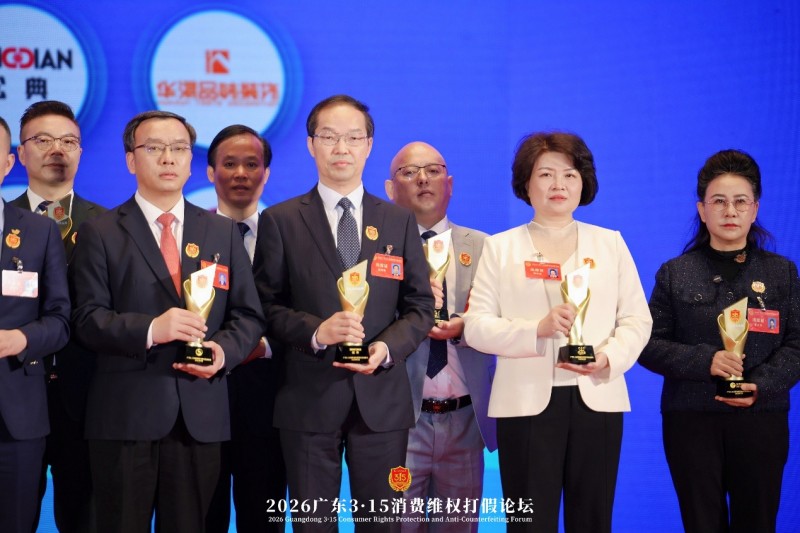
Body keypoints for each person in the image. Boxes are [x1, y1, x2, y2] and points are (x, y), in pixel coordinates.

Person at [69, 110, 265, 533]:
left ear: (191, 160)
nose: (168, 158)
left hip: (201, 414)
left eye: (179, 148)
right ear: (130, 160)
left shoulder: (222, 232)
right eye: (154, 148)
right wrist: (151, 329)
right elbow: (86, 318)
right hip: (125, 416)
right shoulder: (100, 231)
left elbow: (248, 315)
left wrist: (223, 352)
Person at [252, 95, 434, 529]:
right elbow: (265, 305)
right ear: (311, 144)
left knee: (382, 523)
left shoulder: (398, 221)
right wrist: (317, 332)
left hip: (382, 403)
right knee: (314, 524)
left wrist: (386, 349)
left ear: (369, 146)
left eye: (353, 138)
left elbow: (420, 306)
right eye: (329, 137)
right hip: (308, 400)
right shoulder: (280, 220)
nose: (341, 148)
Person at [462, 132, 652, 532]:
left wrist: (608, 358)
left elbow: (637, 320)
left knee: (593, 520)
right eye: (545, 174)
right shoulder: (501, 248)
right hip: (526, 404)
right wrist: (537, 329)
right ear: (526, 183)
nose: (558, 184)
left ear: (583, 182)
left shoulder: (610, 244)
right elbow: (476, 327)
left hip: (597, 399)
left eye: (569, 174)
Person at [639, 149, 800, 533]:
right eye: (719, 201)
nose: (730, 211)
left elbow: (797, 344)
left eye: (741, 201)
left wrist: (761, 384)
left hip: (761, 419)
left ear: (755, 209)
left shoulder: (781, 273)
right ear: (702, 210)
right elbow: (647, 343)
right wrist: (705, 361)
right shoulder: (675, 273)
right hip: (691, 421)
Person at [384, 141, 496, 530]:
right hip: (400, 423)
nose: (423, 179)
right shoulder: (375, 251)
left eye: (433, 170)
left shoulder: (485, 248)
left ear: (450, 184)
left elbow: (501, 322)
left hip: (464, 421)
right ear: (389, 188)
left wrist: (468, 327)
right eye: (409, 172)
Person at [11, 100, 106, 533]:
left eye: (69, 141)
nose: (57, 149)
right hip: (14, 392)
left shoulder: (112, 226)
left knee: (86, 516)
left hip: (88, 397)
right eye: (43, 140)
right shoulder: (2, 222)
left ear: (81, 153)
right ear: (21, 152)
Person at [204, 124, 287, 533]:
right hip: (203, 400)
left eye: (251, 164)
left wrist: (266, 346)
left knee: (264, 519)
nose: (240, 173)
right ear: (210, 172)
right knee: (204, 516)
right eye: (229, 164)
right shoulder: (190, 234)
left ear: (266, 173)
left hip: (272, 402)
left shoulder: (290, 233)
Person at [0, 115, 70, 533]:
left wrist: (19, 339)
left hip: (17, 416)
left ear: (9, 162)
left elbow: (60, 320)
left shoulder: (39, 231)